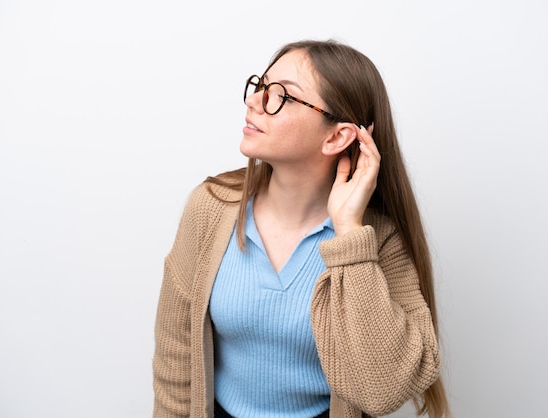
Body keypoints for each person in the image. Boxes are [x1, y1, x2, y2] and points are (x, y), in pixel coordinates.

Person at [152, 39, 450, 418]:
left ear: (336, 137)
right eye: (261, 86)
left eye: (283, 96)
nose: (255, 102)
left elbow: (382, 392)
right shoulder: (210, 208)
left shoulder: (375, 240)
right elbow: (175, 360)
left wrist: (349, 234)